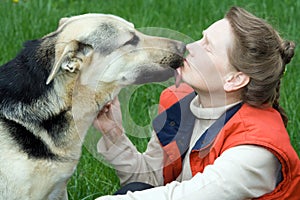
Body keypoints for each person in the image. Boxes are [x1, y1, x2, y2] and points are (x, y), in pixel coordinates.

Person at [93, 6, 300, 200]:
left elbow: (186, 196)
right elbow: (148, 183)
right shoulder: (181, 105)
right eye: (201, 38)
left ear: (234, 79)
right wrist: (113, 134)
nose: (190, 46)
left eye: (207, 47)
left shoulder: (254, 150)